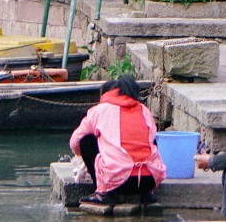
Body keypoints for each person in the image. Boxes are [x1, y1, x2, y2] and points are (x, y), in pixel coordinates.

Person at [69, 76, 165, 212]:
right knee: (150, 141)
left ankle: (104, 193)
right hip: (149, 181)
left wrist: (96, 152)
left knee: (87, 140)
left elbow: (75, 143)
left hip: (120, 183)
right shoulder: (145, 110)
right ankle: (147, 195)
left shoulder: (99, 110)